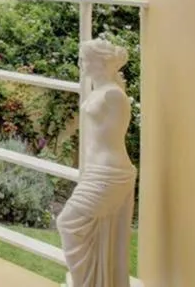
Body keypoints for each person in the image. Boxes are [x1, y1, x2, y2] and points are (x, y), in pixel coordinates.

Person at [57, 39, 137, 287]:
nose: (81, 63)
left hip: (110, 172)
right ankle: (94, 281)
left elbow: (111, 138)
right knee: (89, 228)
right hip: (97, 170)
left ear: (101, 62)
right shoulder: (99, 90)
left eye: (85, 58)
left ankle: (88, 282)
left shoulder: (114, 95)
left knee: (67, 222)